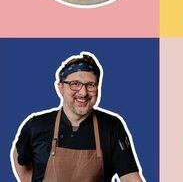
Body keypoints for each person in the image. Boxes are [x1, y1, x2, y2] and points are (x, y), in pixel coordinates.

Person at [12, 52, 144, 182]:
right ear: (60, 87)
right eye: (75, 84)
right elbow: (19, 157)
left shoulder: (112, 126)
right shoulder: (36, 125)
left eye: (90, 85)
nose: (83, 92)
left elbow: (130, 177)